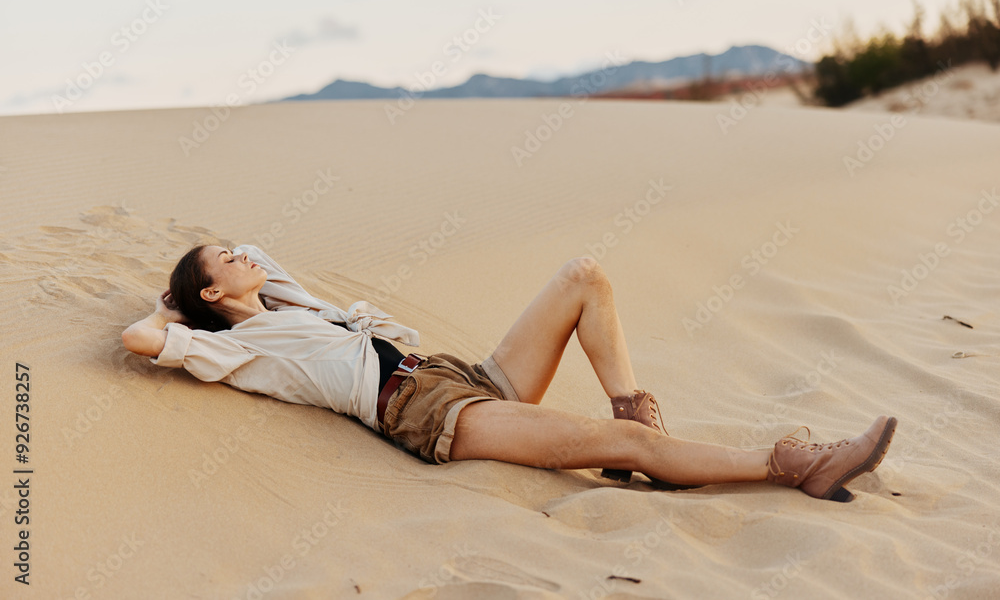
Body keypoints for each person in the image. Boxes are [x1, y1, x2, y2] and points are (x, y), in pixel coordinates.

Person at [122, 244, 897, 502]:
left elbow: (262, 255)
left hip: (460, 376)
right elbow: (139, 340)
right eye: (226, 260)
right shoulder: (236, 346)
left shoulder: (295, 303)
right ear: (214, 294)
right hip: (424, 413)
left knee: (586, 276)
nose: (245, 254)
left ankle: (644, 424)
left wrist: (226, 271)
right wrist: (171, 309)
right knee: (607, 440)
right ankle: (796, 464)